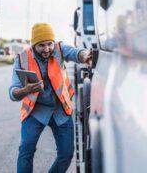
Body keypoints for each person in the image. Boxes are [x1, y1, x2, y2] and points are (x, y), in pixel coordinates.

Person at [9, 23, 92, 173]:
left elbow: (75, 53)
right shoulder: (22, 59)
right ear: (34, 45)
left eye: (49, 44)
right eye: (41, 45)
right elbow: (12, 92)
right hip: (36, 110)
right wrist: (24, 90)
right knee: (26, 150)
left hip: (60, 109)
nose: (47, 49)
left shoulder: (59, 49)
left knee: (66, 154)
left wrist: (85, 56)